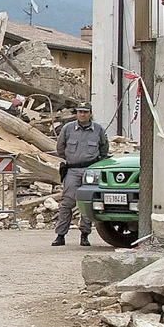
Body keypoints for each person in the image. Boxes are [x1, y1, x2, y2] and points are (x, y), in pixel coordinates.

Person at [53, 103, 109, 246]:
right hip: (72, 170)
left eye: (85, 112)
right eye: (80, 112)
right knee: (67, 202)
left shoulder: (98, 130)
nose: (82, 115)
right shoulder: (68, 128)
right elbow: (60, 148)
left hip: (90, 170)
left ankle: (85, 235)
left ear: (90, 113)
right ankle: (60, 235)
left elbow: (104, 150)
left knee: (87, 203)